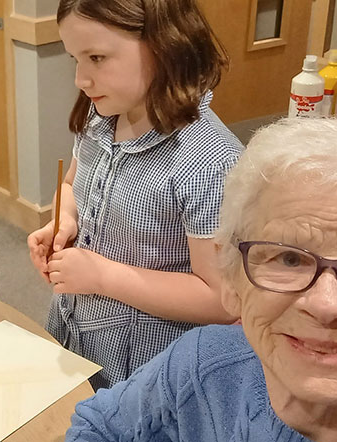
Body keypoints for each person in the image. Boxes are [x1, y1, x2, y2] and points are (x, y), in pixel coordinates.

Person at [66, 118, 337, 441]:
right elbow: (98, 426)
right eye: (288, 258)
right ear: (232, 279)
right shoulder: (204, 363)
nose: (327, 305)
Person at [27, 0, 243, 389]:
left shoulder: (211, 162)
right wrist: (66, 219)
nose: (80, 79)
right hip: (77, 329)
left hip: (143, 368)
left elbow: (221, 300)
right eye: (74, 58)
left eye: (96, 57)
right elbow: (71, 184)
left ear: (165, 44)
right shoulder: (100, 114)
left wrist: (101, 276)